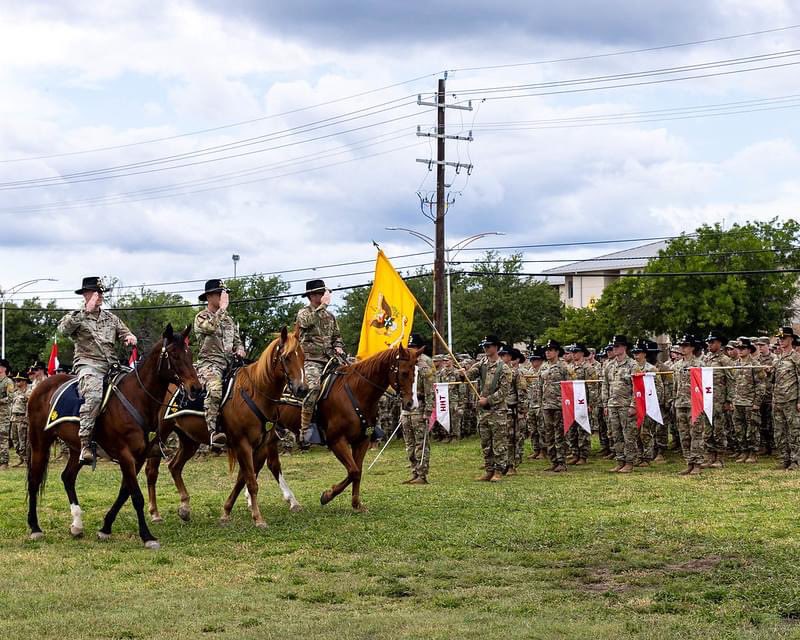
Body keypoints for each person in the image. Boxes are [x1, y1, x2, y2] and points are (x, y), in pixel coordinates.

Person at [58, 277, 137, 463]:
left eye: (101, 292)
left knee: (137, 387)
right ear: (85, 294)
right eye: (95, 292)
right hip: (88, 364)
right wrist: (85, 310)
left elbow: (124, 332)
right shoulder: (76, 316)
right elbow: (63, 330)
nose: (99, 296)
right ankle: (85, 442)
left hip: (112, 365)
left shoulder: (111, 318)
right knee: (93, 395)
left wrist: (130, 337)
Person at [194, 279, 246, 447]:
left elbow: (238, 341)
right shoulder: (201, 317)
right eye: (220, 293)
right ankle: (212, 432)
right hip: (209, 365)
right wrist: (222, 310)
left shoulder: (229, 321)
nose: (225, 296)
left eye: (225, 293)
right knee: (215, 389)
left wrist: (240, 350)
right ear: (209, 296)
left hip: (230, 365)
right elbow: (210, 328)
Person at [296, 279, 345, 444]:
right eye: (320, 293)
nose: (324, 295)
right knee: (314, 388)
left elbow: (337, 337)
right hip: (311, 360)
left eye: (324, 292)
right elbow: (307, 323)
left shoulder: (330, 316)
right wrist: (322, 307)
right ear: (312, 295)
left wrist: (338, 346)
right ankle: (304, 431)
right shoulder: (303, 313)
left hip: (331, 359)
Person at [464, 335, 512, 481]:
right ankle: (489, 469)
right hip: (483, 411)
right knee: (486, 442)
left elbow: (504, 392)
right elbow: (470, 374)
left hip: (497, 411)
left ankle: (499, 471)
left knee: (498, 442)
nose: (486, 348)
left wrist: (488, 400)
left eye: (488, 346)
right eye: (484, 346)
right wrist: (463, 372)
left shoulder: (504, 368)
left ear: (496, 347)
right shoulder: (482, 363)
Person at [400, 334, 433, 484]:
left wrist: (428, 411)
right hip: (406, 408)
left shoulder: (425, 363)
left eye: (413, 347)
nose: (410, 350)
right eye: (409, 347)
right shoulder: (406, 361)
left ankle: (422, 474)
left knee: (421, 443)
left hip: (419, 407)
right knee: (409, 444)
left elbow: (430, 389)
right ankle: (414, 471)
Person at [603, 335, 638, 473]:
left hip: (626, 404)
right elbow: (605, 385)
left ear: (624, 347)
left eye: (617, 346)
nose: (614, 349)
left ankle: (629, 462)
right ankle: (620, 460)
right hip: (613, 404)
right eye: (613, 346)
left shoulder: (632, 365)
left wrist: (633, 405)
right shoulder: (609, 365)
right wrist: (605, 403)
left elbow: (637, 387)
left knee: (628, 434)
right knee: (615, 434)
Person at [673, 334, 707, 475]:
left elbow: (705, 386)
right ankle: (689, 462)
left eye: (685, 345)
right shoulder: (677, 366)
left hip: (695, 404)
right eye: (681, 345)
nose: (682, 348)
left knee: (696, 434)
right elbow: (675, 385)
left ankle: (697, 463)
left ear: (692, 347)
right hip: (681, 402)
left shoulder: (700, 364)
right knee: (684, 434)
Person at [701, 331, 734, 468]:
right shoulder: (705, 359)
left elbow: (731, 381)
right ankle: (710, 456)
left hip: (719, 401)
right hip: (707, 400)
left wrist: (728, 400)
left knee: (719, 430)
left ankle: (719, 458)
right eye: (708, 342)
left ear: (720, 343)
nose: (709, 344)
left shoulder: (725, 360)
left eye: (712, 342)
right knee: (707, 431)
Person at [537, 339, 570, 473]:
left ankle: (561, 461)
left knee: (559, 434)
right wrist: (540, 404)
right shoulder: (543, 367)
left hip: (559, 405)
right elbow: (539, 386)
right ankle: (553, 461)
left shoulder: (564, 367)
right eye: (546, 350)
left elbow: (569, 386)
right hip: (546, 405)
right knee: (548, 434)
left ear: (556, 352)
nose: (547, 352)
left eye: (550, 350)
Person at [732, 338, 765, 463]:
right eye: (738, 348)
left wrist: (757, 402)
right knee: (739, 429)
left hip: (750, 402)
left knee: (752, 429)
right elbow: (732, 383)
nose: (740, 351)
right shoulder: (735, 364)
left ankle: (753, 453)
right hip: (738, 401)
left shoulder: (755, 364)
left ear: (749, 350)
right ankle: (744, 451)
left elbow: (761, 385)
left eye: (743, 348)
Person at [631, 339, 663, 467]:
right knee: (636, 431)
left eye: (638, 352)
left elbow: (659, 388)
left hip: (648, 404)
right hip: (635, 404)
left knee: (646, 432)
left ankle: (647, 456)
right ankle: (639, 455)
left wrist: (656, 403)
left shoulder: (651, 369)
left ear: (644, 353)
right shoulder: (632, 368)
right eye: (634, 352)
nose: (636, 355)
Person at [771, 327, 800, 471]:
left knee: (794, 430)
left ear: (791, 339)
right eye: (780, 339)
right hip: (778, 400)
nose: (781, 341)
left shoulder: (796, 357)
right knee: (779, 431)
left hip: (791, 399)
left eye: (784, 338)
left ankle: (795, 460)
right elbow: (773, 380)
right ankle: (784, 458)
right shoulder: (777, 358)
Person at [566, 343, 592, 465]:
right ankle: (575, 453)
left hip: (583, 402)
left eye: (576, 352)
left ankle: (583, 455)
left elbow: (592, 387)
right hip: (571, 402)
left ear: (582, 353)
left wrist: (591, 403)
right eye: (572, 352)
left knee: (583, 430)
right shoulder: (569, 368)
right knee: (572, 430)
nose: (573, 354)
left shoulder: (588, 368)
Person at [524, 348, 545, 459]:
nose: (533, 362)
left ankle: (543, 450)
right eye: (532, 360)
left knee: (542, 429)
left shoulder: (545, 370)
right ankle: (536, 449)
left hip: (541, 404)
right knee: (533, 429)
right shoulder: (529, 372)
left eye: (535, 360)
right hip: (531, 403)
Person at [10, 371, 31, 467]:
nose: (17, 382)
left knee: (23, 441)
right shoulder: (15, 392)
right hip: (14, 418)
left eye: (19, 380)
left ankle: (27, 460)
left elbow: (30, 406)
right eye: (16, 380)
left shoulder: (29, 392)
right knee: (14, 439)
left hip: (23, 418)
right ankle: (20, 458)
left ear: (24, 381)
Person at [0, 358, 14, 470]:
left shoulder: (8, 382)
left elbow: (10, 398)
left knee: (3, 437)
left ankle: (4, 462)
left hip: (3, 414)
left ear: (4, 368)